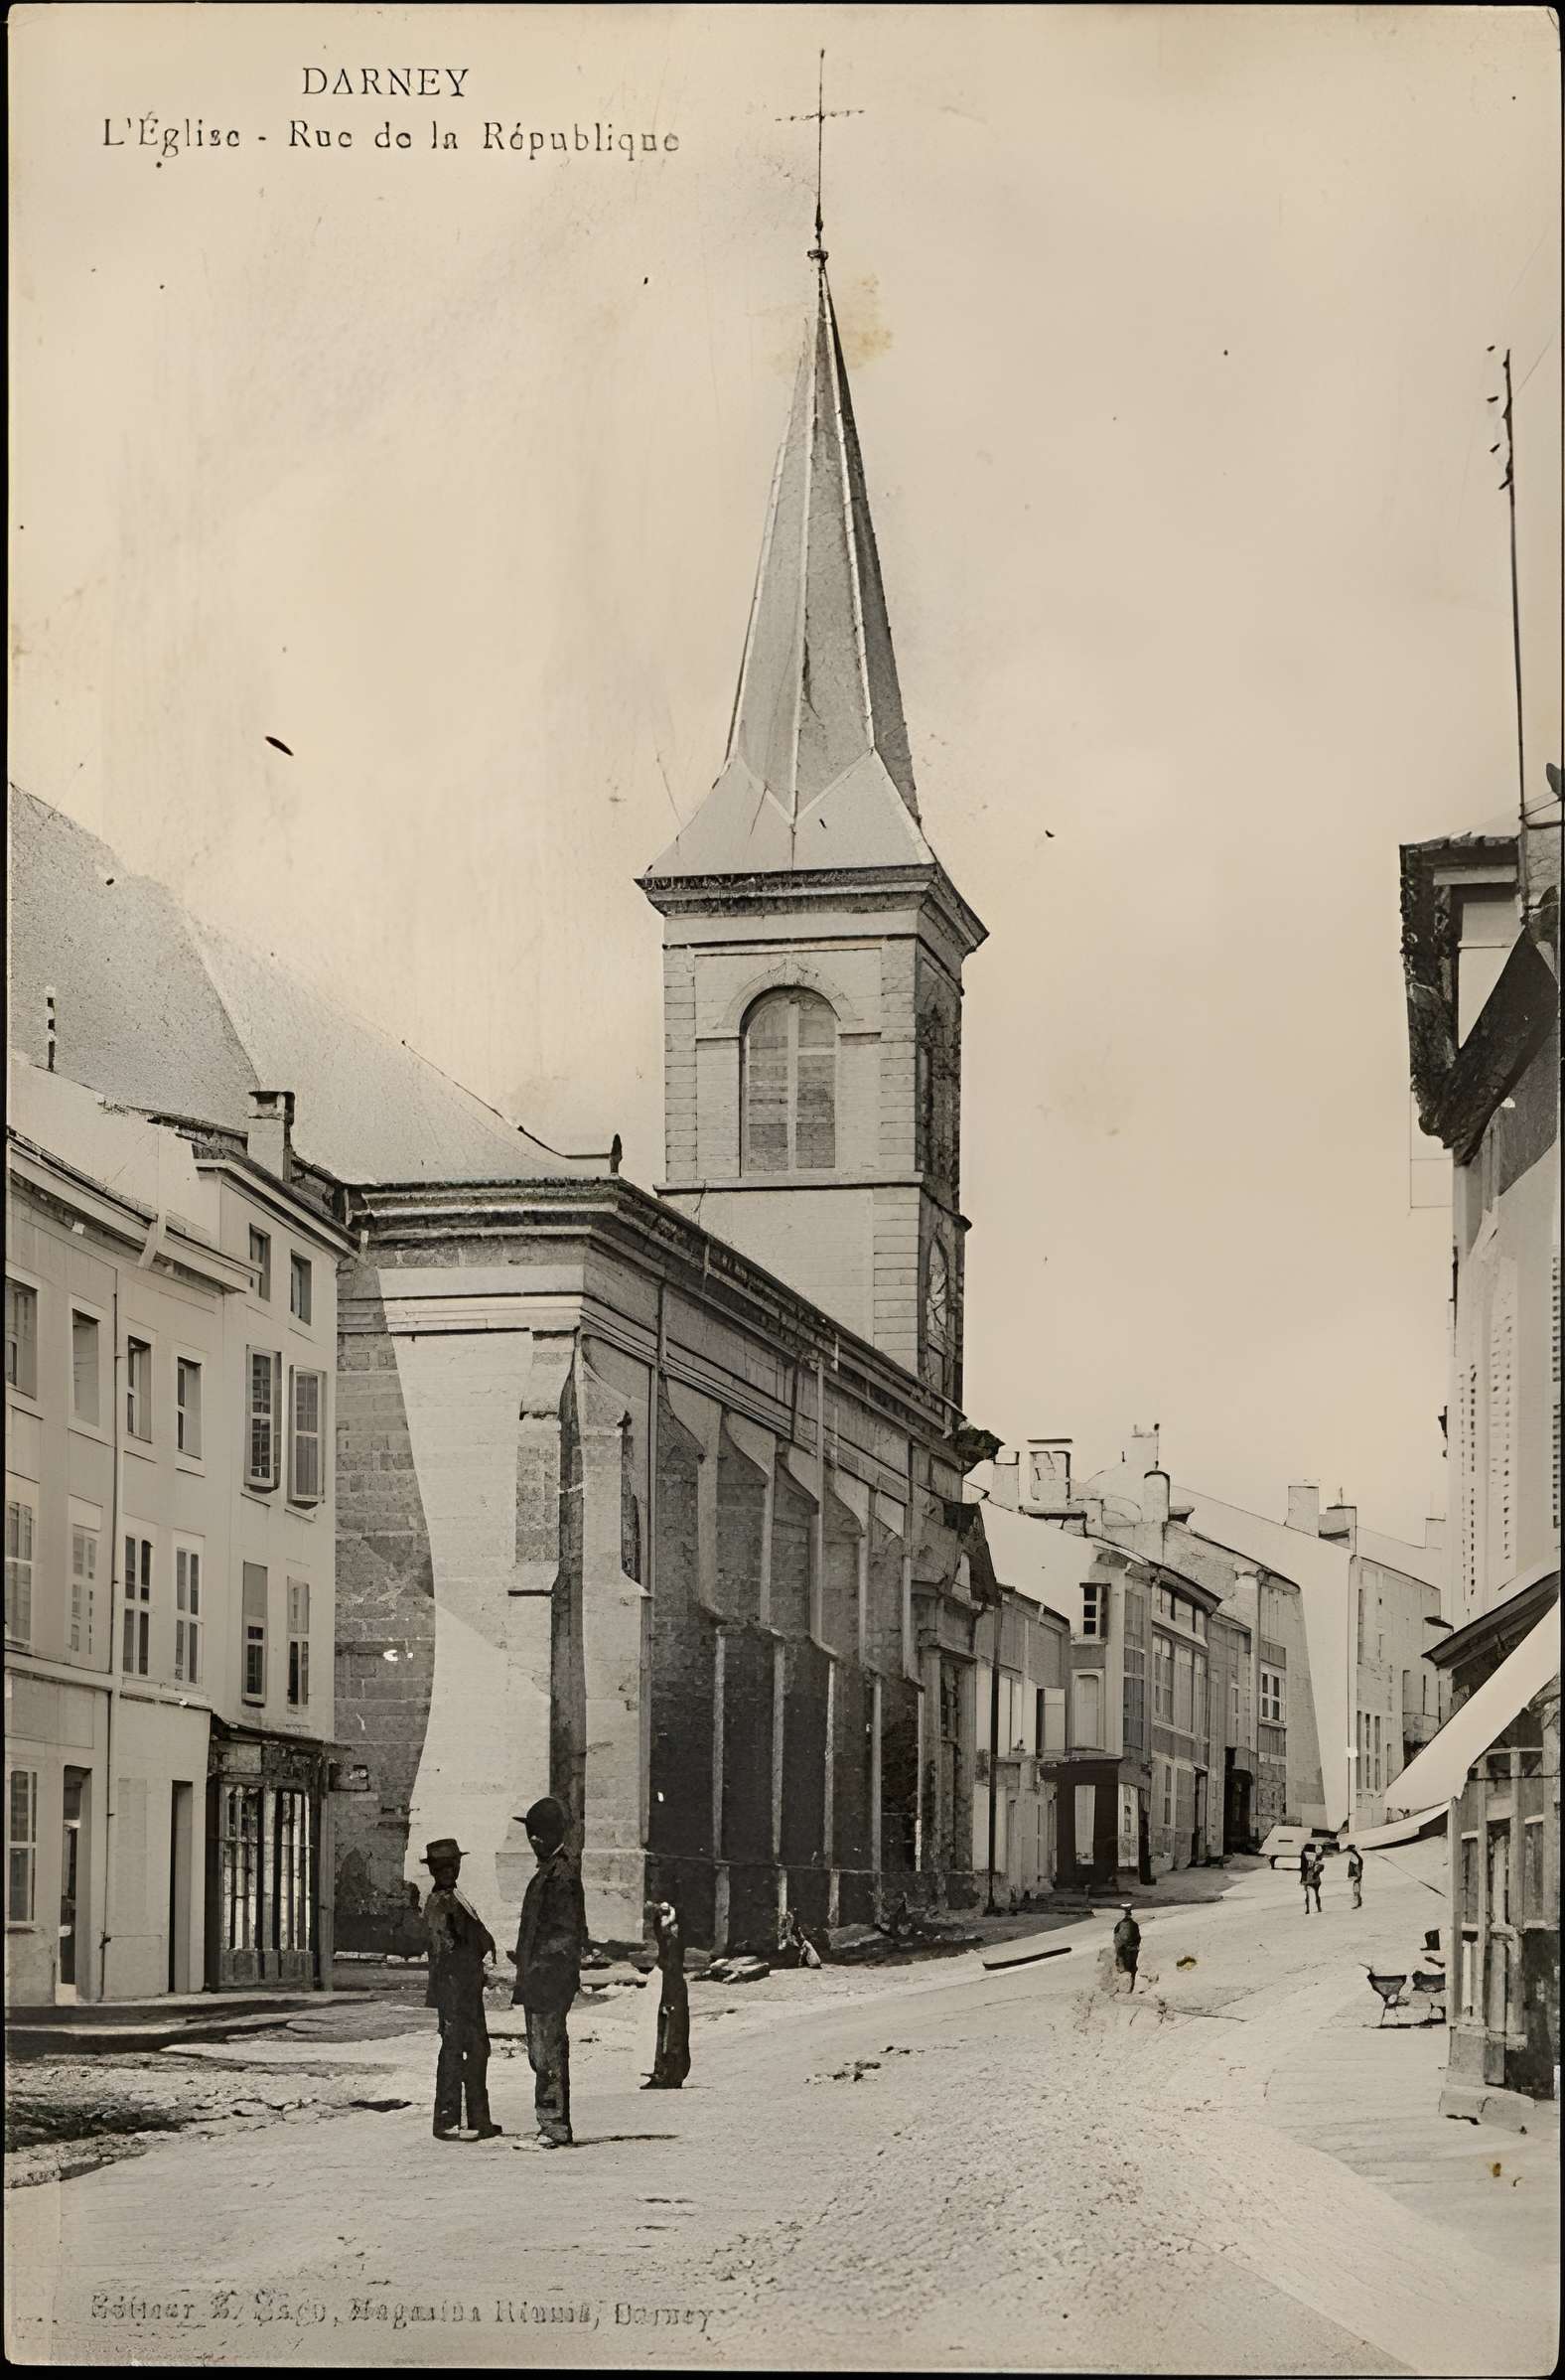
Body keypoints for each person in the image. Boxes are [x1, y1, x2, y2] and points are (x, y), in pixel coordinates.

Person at [511, 1796, 587, 2149]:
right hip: (539, 1978)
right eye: (531, 1833)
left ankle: (554, 2126)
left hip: (549, 1980)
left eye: (536, 1833)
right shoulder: (549, 1872)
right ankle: (550, 2122)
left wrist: (538, 1965)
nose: (532, 1840)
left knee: (548, 2053)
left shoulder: (561, 1875)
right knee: (540, 2053)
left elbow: (567, 1935)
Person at [421, 1836, 500, 2143]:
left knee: (475, 2050)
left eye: (452, 1865)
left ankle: (476, 2119)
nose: (449, 1870)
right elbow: (445, 1951)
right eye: (442, 1867)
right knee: (457, 2050)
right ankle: (449, 2119)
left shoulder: (455, 1896)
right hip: (454, 1989)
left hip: (465, 1987)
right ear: (433, 1870)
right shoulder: (439, 1902)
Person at [641, 1898, 691, 2090]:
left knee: (672, 2032)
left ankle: (669, 2074)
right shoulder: (665, 1940)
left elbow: (672, 1967)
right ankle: (663, 2072)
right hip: (666, 1986)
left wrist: (668, 1998)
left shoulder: (673, 1941)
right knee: (664, 2031)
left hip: (672, 1988)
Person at [1112, 1902, 1141, 1991]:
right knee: (1130, 1967)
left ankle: (1125, 1987)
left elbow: (1116, 1936)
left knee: (1124, 1966)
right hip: (1129, 1949)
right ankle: (1129, 1987)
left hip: (1124, 1949)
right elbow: (1138, 1938)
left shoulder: (1120, 1925)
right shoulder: (1133, 1925)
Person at [1303, 1845, 1323, 1915]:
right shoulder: (1317, 1857)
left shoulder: (1306, 1857)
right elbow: (1321, 1867)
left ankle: (1308, 1909)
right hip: (1314, 1878)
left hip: (1309, 1878)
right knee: (1316, 1894)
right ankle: (1318, 1908)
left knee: (1308, 1895)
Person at [1347, 1844, 1364, 1910]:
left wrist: (1355, 1876)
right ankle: (1359, 1903)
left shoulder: (1354, 1858)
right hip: (1358, 1876)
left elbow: (1355, 1867)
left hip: (1357, 1876)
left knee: (1356, 1891)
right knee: (1357, 1891)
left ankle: (1357, 1904)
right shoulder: (1357, 1856)